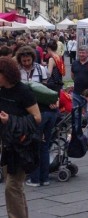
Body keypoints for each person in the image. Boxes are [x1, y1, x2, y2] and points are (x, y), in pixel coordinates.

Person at [0, 57, 41, 218]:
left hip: (22, 145)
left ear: (6, 74)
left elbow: (37, 118)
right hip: (7, 143)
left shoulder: (23, 91)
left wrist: (10, 119)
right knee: (15, 187)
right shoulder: (2, 90)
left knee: (12, 186)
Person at [71, 45, 88, 129]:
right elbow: (73, 75)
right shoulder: (75, 63)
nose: (81, 54)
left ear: (87, 53)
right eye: (80, 52)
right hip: (77, 93)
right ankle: (77, 132)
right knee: (76, 113)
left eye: (83, 53)